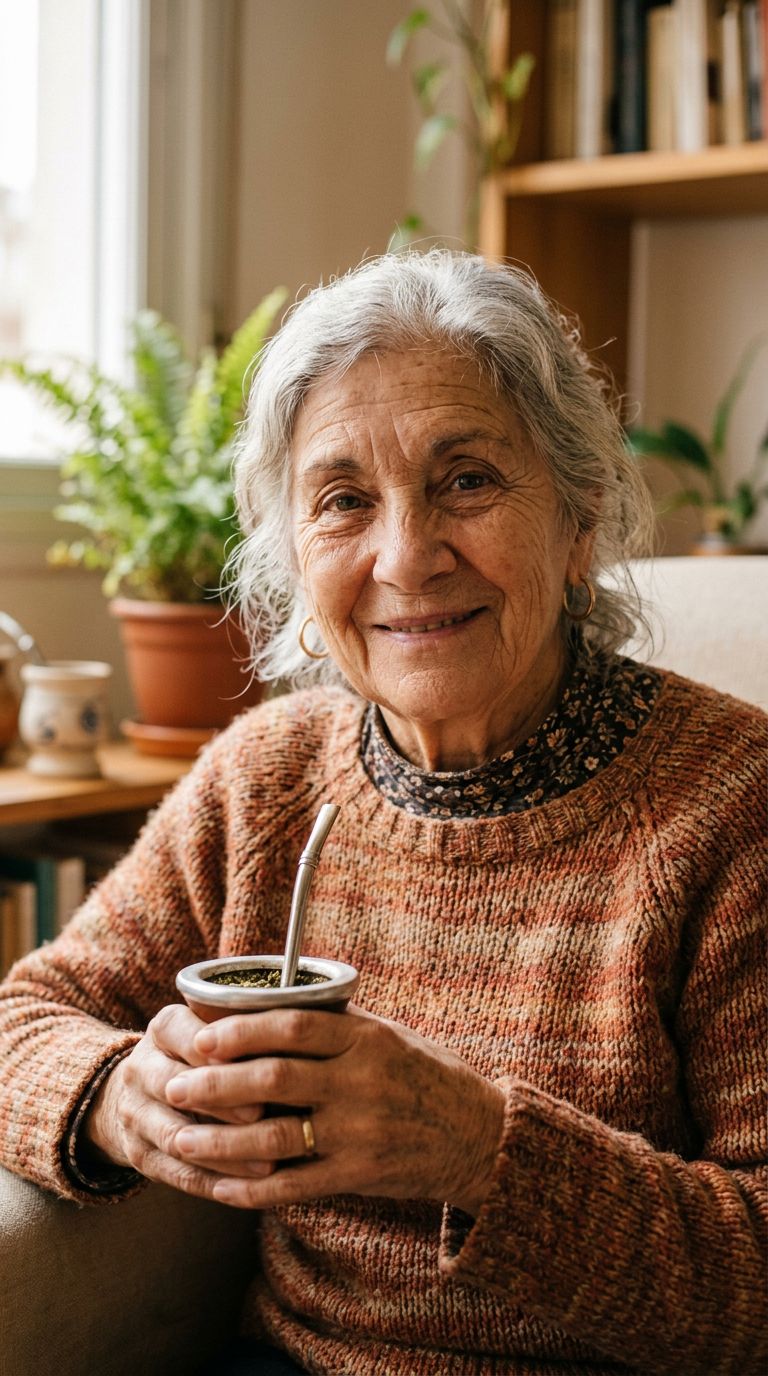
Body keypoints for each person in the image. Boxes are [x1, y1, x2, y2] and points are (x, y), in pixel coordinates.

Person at [0, 250, 765, 1376]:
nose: (405, 557)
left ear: (581, 520)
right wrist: (123, 1100)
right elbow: (28, 1011)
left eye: (467, 481)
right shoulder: (271, 775)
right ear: (292, 555)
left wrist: (474, 1148)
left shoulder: (729, 804)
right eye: (343, 500)